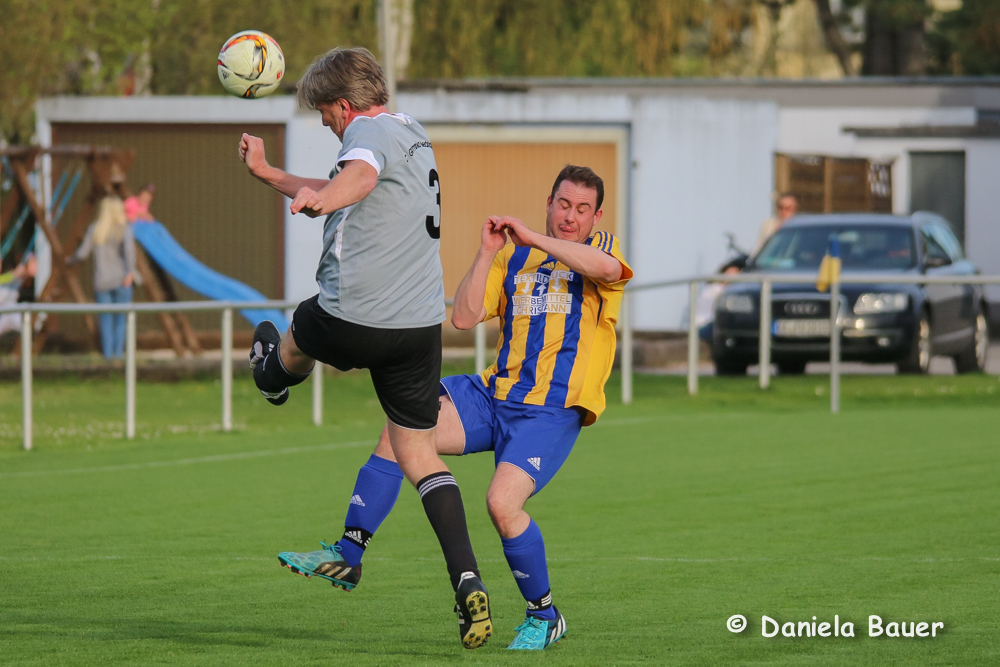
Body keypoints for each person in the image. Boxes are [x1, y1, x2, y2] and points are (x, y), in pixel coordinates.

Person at [288, 165, 632, 651]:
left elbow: (605, 271)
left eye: (581, 209)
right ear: (549, 201)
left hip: (550, 411)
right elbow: (465, 315)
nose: (569, 217)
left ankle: (545, 614)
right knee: (400, 431)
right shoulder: (515, 259)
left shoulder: (603, 250)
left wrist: (533, 236)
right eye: (562, 205)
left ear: (596, 216)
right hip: (491, 396)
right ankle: (349, 553)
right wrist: (488, 252)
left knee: (501, 503)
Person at [238, 47, 491, 650]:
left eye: (324, 112)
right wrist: (272, 175)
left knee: (299, 327)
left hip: (357, 316)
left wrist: (323, 200)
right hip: (416, 327)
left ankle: (272, 376)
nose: (324, 121)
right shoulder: (411, 131)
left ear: (344, 106)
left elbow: (356, 178)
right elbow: (350, 178)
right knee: (418, 454)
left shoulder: (366, 137)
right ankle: (468, 583)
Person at [67, 196, 140, 359]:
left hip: (102, 282)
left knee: (105, 320)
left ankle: (108, 358)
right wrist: (131, 272)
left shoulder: (95, 229)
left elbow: (82, 253)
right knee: (121, 320)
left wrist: (69, 260)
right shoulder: (124, 229)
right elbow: (129, 253)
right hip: (122, 280)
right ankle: (119, 356)